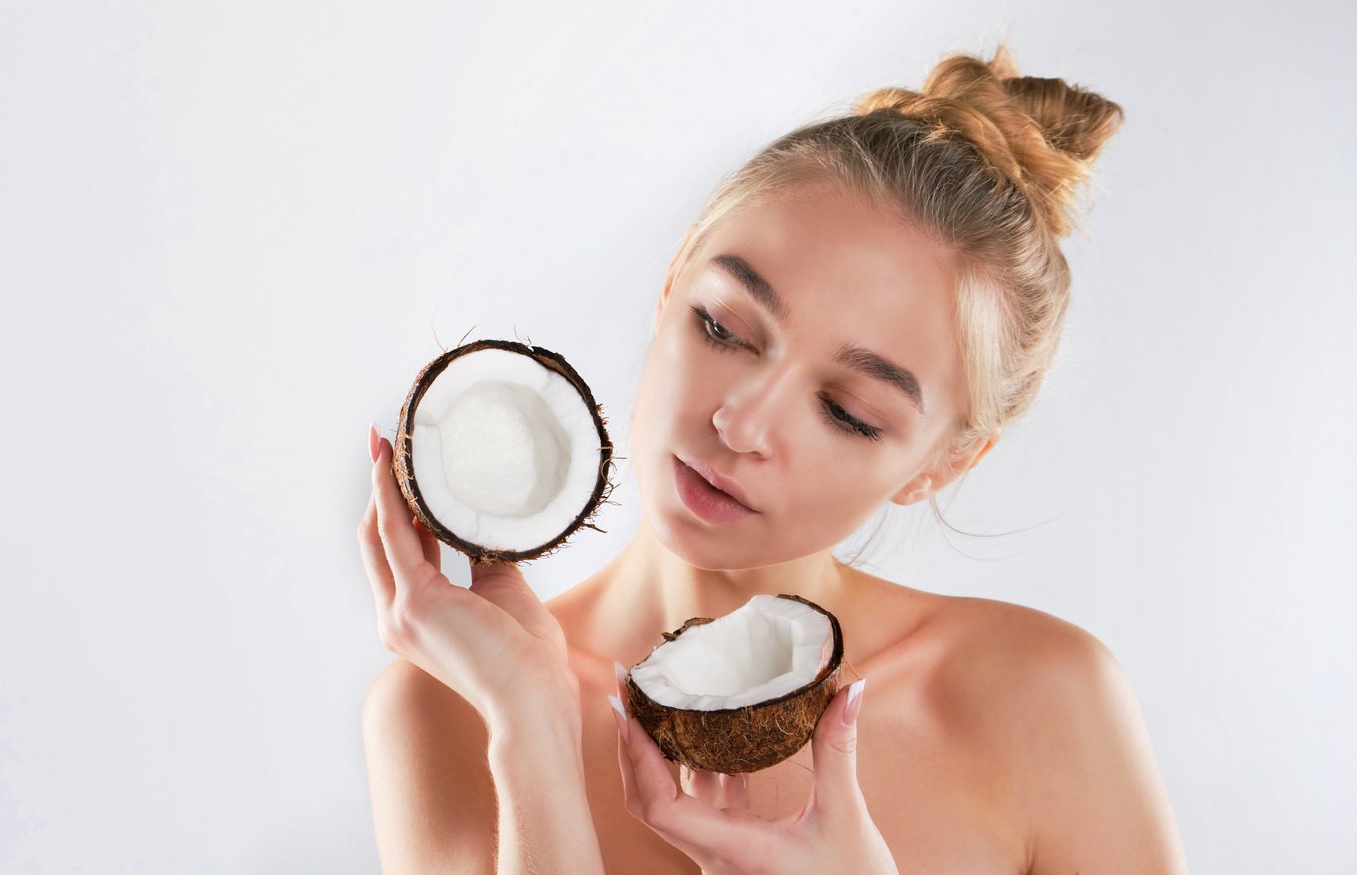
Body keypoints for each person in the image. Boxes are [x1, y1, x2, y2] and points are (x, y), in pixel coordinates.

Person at [359, 44, 1189, 874]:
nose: (741, 421)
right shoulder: (454, 707)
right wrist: (531, 736)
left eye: (848, 412)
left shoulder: (1039, 702)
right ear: (672, 280)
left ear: (945, 464)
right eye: (723, 327)